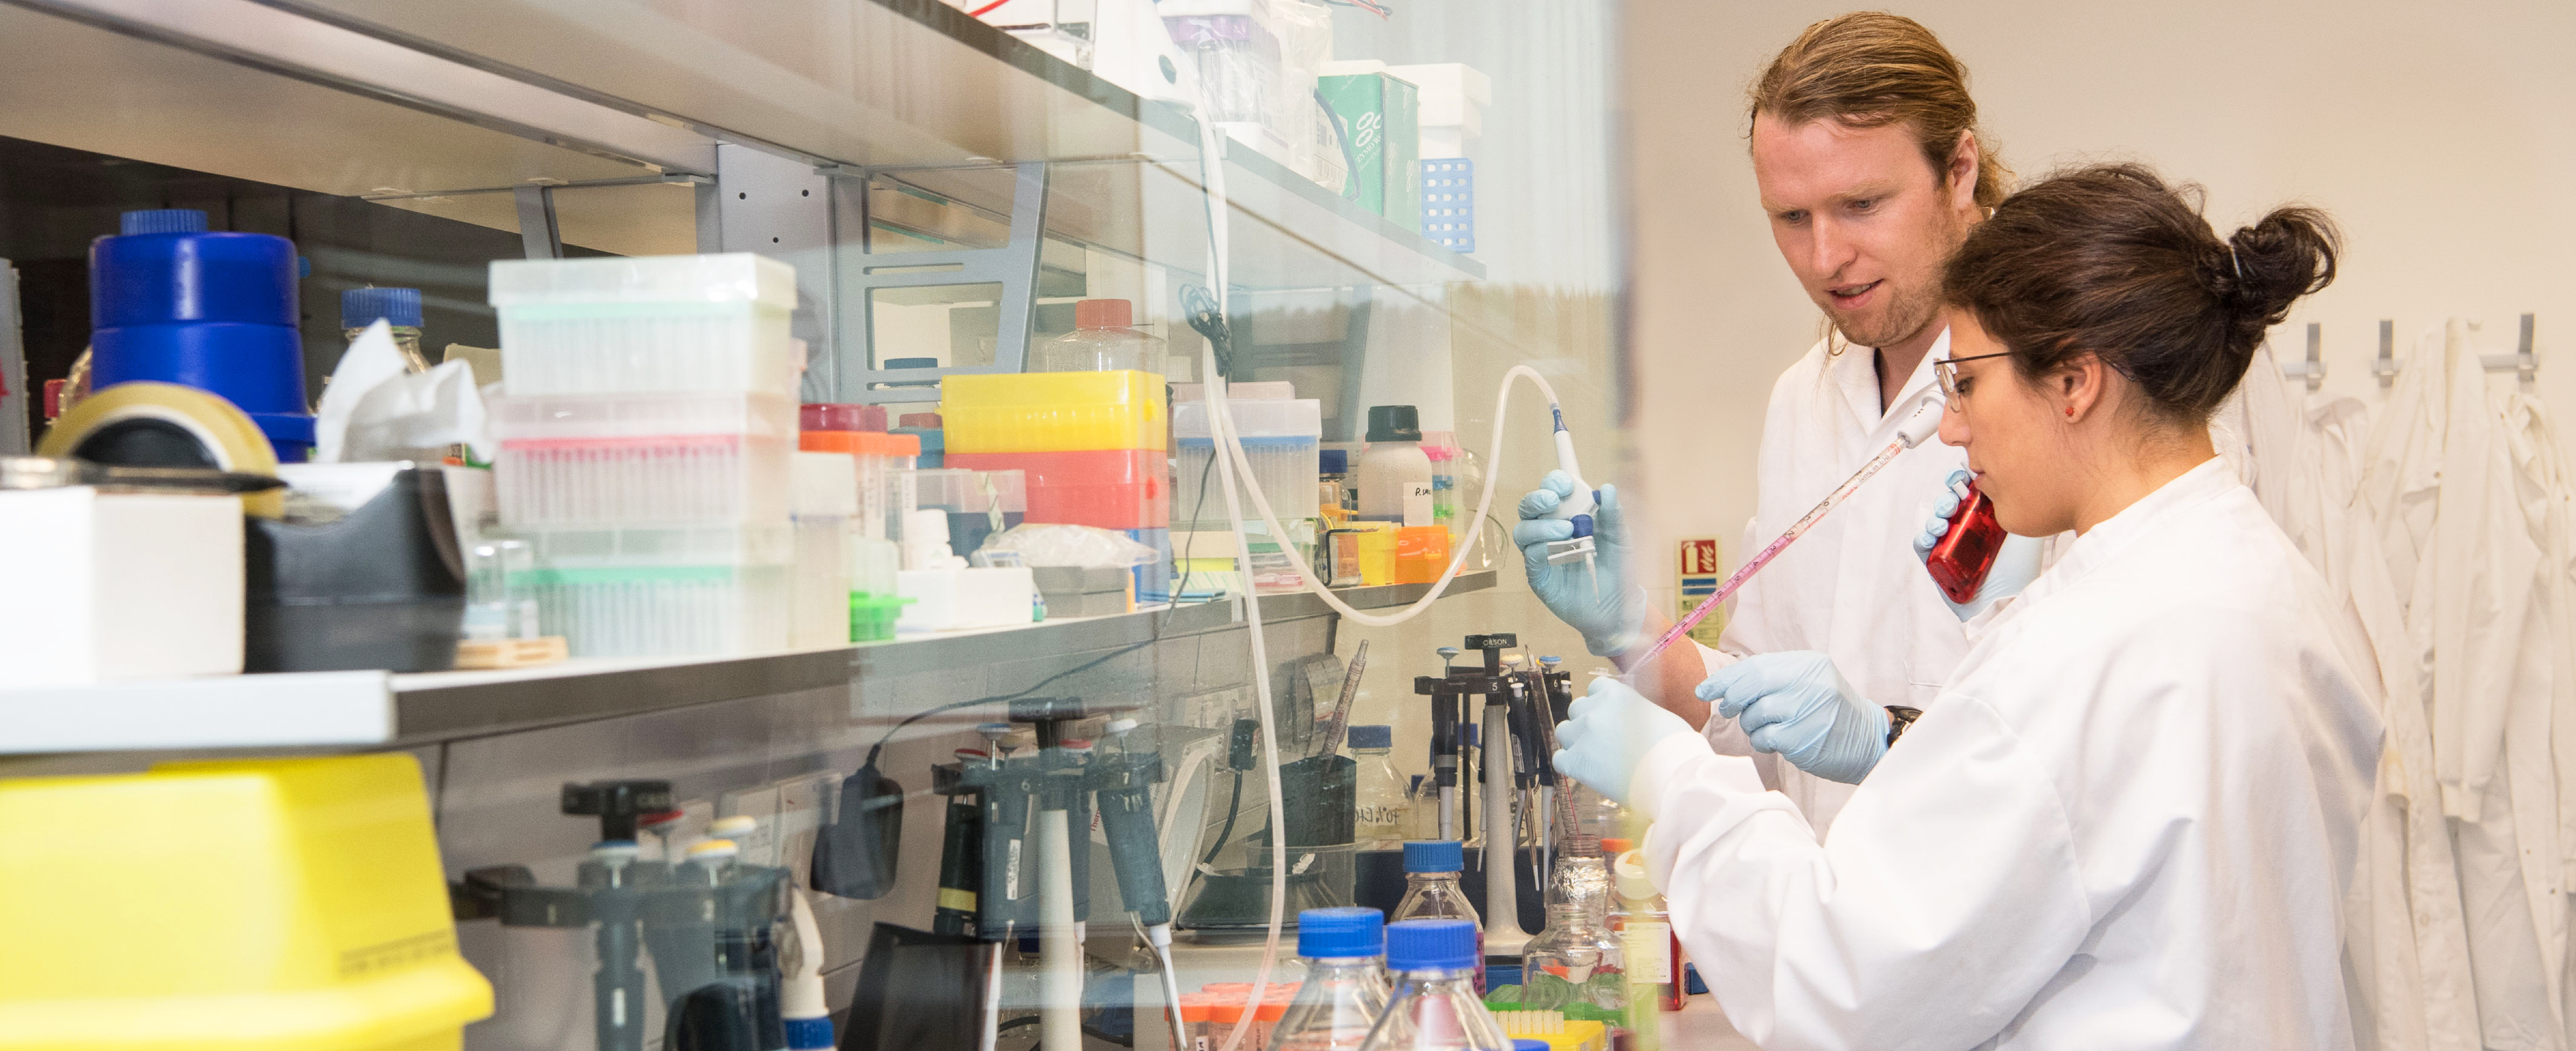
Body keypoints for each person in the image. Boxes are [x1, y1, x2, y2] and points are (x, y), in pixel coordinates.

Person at [1551, 165, 2383, 1048]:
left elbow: (1841, 981)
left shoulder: (2077, 654)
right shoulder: (2268, 584)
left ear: (2075, 382)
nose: (1951, 426)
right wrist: (1939, 695)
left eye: (1967, 382)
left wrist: (1672, 780)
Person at [1514, 12, 2041, 832]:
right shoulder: (1805, 397)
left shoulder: (2066, 374)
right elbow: (1751, 719)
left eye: (1861, 204)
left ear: (1960, 168)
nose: (1825, 257)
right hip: (1834, 921)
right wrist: (1626, 625)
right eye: (1791, 218)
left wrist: (1878, 739)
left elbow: (2098, 752)